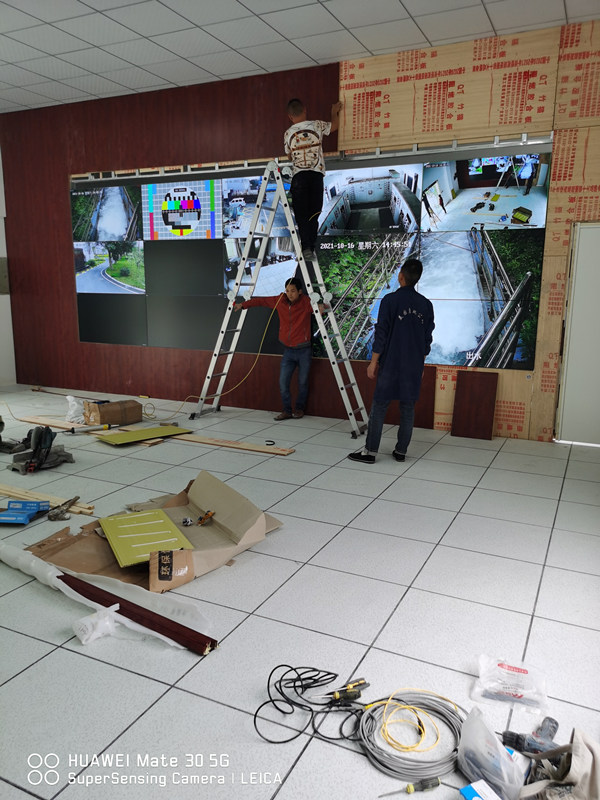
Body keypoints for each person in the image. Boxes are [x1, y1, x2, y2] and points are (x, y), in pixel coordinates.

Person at [348, 258, 434, 464]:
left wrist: (373, 362)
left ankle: (370, 452)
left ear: (401, 276)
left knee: (379, 406)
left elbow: (382, 334)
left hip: (391, 364)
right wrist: (420, 364)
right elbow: (426, 339)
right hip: (413, 365)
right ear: (417, 278)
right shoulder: (426, 304)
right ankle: (401, 452)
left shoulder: (389, 300)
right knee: (408, 408)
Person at [233, 277, 326, 421]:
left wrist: (321, 307)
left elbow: (320, 308)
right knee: (283, 383)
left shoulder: (306, 302)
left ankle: (299, 409)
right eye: (287, 291)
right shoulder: (279, 300)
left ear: (300, 291)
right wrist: (243, 305)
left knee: (303, 382)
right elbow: (261, 301)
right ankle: (287, 411)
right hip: (288, 351)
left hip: (304, 350)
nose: (289, 294)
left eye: (293, 291)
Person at [284, 98, 341, 261]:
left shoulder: (288, 133)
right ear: (305, 110)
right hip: (316, 175)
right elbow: (334, 126)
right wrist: (334, 112)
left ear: (290, 116)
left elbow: (289, 155)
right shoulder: (317, 125)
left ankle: (306, 249)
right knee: (314, 213)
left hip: (299, 177)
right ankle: (311, 247)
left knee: (301, 215)